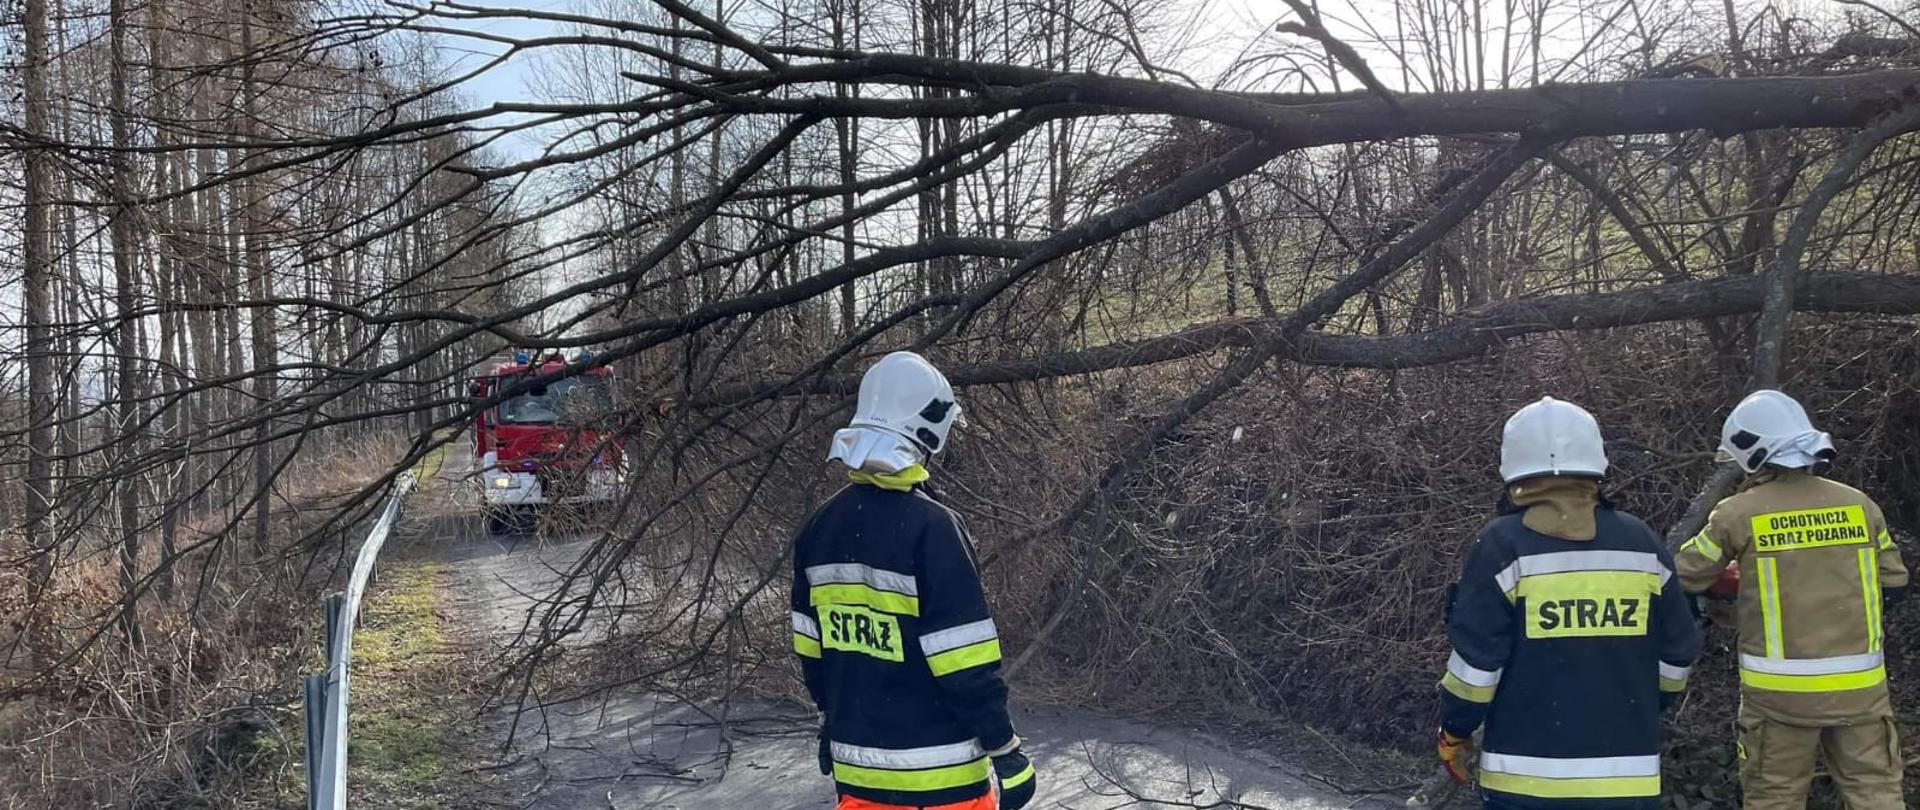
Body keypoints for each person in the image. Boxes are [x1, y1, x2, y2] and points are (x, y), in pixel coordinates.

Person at [790, 351, 1036, 810]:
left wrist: (830, 719)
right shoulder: (933, 529)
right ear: (927, 432)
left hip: (859, 779)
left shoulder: (819, 528)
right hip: (944, 783)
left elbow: (812, 650)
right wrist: (1005, 749)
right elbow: (964, 661)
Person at [1437, 397, 1700, 809]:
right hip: (1626, 783)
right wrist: (1643, 703)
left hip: (1524, 785)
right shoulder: (1641, 543)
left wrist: (1455, 730)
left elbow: (1476, 669)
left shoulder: (1502, 546)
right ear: (1595, 463)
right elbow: (1678, 652)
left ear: (1514, 469)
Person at [1673, 389, 1909, 810]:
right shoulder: (1859, 505)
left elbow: (1686, 576)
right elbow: (1894, 584)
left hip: (1778, 699)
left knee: (1774, 798)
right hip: (1860, 694)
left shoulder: (1737, 513)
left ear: (1751, 452)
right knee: (1876, 793)